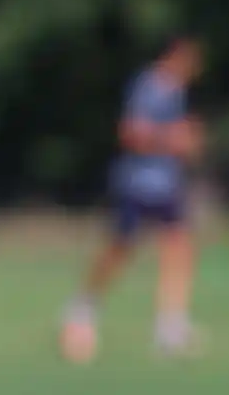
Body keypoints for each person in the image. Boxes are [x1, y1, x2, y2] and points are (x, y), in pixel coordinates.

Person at [60, 35, 205, 362]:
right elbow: (131, 133)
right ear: (174, 55)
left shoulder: (177, 90)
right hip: (138, 184)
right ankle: (83, 306)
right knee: (121, 248)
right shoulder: (149, 86)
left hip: (166, 184)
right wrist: (174, 139)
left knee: (179, 245)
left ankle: (170, 325)